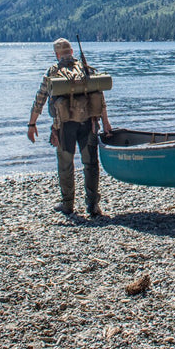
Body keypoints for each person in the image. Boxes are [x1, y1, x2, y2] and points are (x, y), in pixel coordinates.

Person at [27, 38, 111, 217]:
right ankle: (93, 205)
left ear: (56, 54)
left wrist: (32, 123)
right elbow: (100, 97)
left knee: (66, 165)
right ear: (72, 52)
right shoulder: (85, 69)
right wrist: (105, 122)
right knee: (91, 164)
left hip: (64, 126)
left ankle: (67, 204)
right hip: (89, 123)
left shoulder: (53, 72)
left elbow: (40, 99)